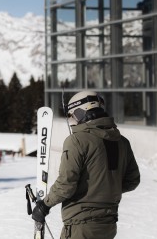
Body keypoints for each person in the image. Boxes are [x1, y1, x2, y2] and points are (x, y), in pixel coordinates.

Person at [31, 91, 140, 239]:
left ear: (81, 111)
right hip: (108, 225)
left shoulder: (77, 141)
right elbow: (132, 180)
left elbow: (66, 185)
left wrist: (44, 205)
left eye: (71, 116)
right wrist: (105, 189)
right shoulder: (122, 142)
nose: (72, 121)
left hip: (80, 225)